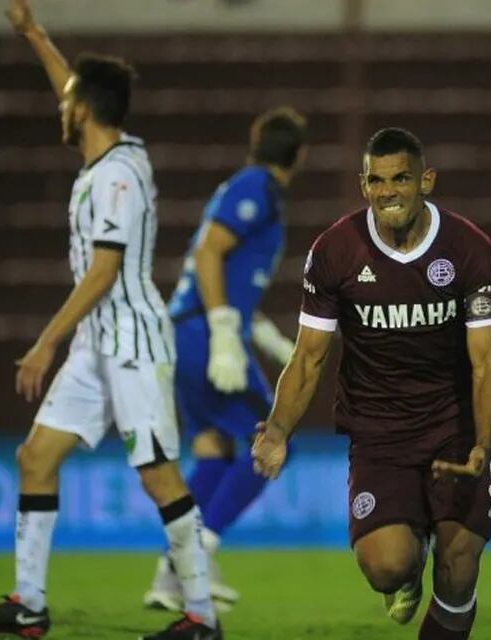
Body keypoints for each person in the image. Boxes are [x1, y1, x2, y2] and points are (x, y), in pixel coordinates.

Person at [0, 2, 221, 639]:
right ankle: (29, 603)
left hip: (130, 342)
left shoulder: (118, 179)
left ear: (84, 110)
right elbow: (73, 86)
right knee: (35, 457)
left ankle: (202, 619)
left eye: (67, 100)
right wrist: (34, 34)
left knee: (158, 477)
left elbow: (103, 273)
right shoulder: (111, 155)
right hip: (98, 343)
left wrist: (43, 344)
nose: (60, 107)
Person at [252, 127, 491, 640]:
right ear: (363, 185)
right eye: (377, 180)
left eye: (401, 179)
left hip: (456, 427)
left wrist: (482, 441)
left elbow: (488, 361)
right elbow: (307, 357)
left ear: (426, 181)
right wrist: (278, 430)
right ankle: (406, 572)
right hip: (380, 435)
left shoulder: (469, 250)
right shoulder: (335, 252)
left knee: (458, 565)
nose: (389, 191)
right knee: (387, 565)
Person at [143, 107, 307, 613]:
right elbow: (210, 252)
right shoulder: (255, 187)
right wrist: (223, 334)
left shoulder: (250, 188)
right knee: (274, 442)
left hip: (190, 330)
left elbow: (232, 278)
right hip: (202, 332)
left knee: (215, 449)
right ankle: (193, 556)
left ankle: (169, 578)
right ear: (296, 156)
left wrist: (263, 334)